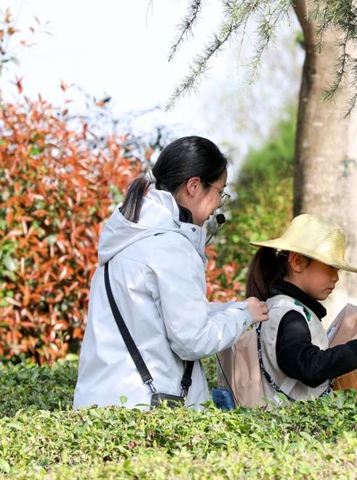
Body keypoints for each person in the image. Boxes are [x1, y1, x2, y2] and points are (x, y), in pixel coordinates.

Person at [73, 136, 269, 410]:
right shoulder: (170, 246)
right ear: (194, 186)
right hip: (146, 413)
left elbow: (163, 316)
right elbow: (194, 339)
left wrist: (233, 308)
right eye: (220, 192)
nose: (217, 206)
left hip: (103, 406)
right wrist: (244, 316)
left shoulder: (128, 237)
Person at [247, 213, 357, 405]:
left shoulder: (280, 306)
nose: (336, 278)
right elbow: (310, 367)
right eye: (331, 267)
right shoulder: (290, 315)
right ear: (297, 262)